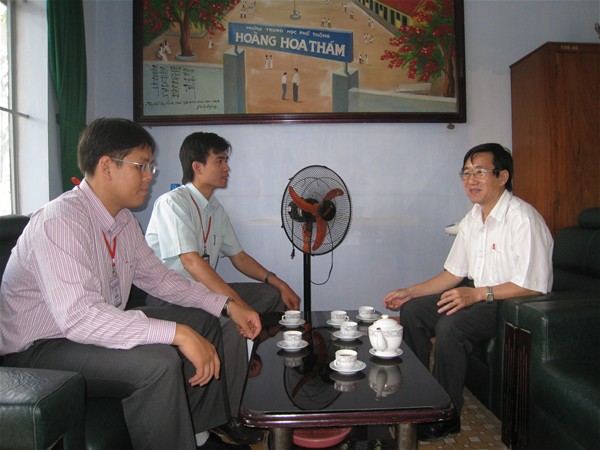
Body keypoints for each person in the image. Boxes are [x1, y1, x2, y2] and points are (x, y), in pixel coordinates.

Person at [0, 118, 261, 450]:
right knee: (159, 364)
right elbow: (80, 318)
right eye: (142, 166)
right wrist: (178, 333)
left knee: (206, 321)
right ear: (106, 167)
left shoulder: (122, 221)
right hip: (39, 349)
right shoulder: (60, 221)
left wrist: (226, 305)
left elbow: (160, 279)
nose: (150, 175)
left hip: (83, 330)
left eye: (150, 166)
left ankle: (200, 431)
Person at [383, 143, 553, 442]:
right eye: (466, 173)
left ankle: (445, 415)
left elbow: (532, 284)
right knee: (413, 310)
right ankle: (415, 397)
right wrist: (411, 291)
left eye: (480, 172)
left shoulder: (523, 219)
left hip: (513, 303)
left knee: (451, 326)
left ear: (502, 177)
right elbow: (453, 274)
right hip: (480, 294)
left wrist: (476, 295)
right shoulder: (472, 219)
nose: (471, 180)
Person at [145, 131, 301, 444]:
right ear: (197, 167)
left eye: (226, 160)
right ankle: (227, 417)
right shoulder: (172, 204)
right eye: (220, 161)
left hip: (202, 292)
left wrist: (279, 282)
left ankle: (249, 370)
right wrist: (236, 305)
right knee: (231, 324)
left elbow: (239, 257)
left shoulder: (215, 210)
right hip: (169, 298)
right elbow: (191, 262)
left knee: (271, 297)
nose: (227, 168)